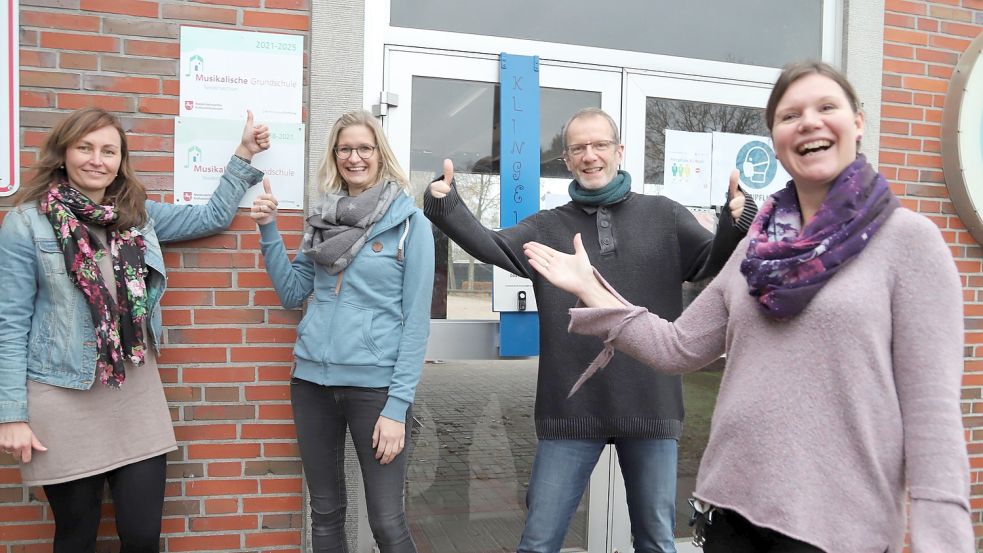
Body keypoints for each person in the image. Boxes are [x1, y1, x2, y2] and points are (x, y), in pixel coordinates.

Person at [523, 61, 974, 553]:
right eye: (789, 114)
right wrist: (590, 290)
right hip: (732, 518)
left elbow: (932, 418)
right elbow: (677, 347)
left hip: (838, 527)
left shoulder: (908, 242)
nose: (808, 122)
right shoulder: (756, 250)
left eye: (827, 107)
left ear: (858, 122)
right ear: (777, 139)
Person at [424, 107, 757, 553]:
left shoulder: (665, 216)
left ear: (619, 151)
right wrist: (445, 205)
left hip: (651, 404)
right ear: (567, 159)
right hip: (571, 408)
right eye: (579, 147)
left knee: (657, 542)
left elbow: (711, 262)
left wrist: (738, 220)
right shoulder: (547, 225)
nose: (590, 155)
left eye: (600, 145)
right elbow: (492, 245)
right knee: (539, 541)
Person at [0, 106, 268, 552]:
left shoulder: (135, 216)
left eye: (108, 150)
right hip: (61, 396)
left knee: (142, 535)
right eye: (85, 147)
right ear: (63, 153)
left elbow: (210, 218)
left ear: (120, 161)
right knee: (76, 537)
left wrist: (243, 153)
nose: (96, 160)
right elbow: (9, 324)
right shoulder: (27, 223)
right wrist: (11, 415)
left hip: (135, 392)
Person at [250, 109, 433, 553]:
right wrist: (268, 230)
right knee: (326, 514)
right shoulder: (322, 221)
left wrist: (397, 407)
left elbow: (416, 324)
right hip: (311, 383)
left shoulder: (410, 225)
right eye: (345, 148)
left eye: (364, 148)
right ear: (335, 155)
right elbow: (294, 293)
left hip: (375, 389)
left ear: (379, 154)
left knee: (387, 521)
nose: (355, 157)